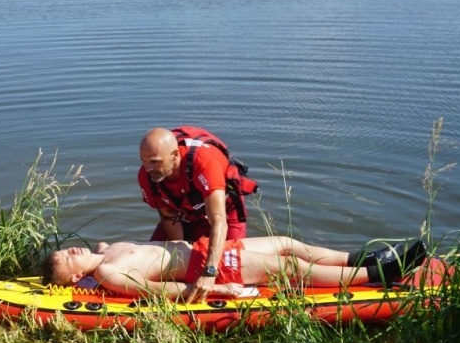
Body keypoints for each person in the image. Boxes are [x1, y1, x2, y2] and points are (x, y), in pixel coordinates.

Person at [42, 237, 427, 304]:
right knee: (291, 267)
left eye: (64, 250)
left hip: (207, 248)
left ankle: (360, 258)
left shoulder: (103, 251)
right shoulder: (110, 274)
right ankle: (380, 276)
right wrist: (212, 290)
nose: (70, 251)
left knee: (286, 243)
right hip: (210, 269)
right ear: (76, 277)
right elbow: (159, 292)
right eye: (66, 259)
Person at [137, 126, 258, 300]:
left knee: (231, 264)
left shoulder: (204, 162)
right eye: (144, 160)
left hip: (224, 215)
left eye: (155, 161)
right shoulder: (147, 176)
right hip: (185, 215)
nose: (148, 168)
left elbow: (218, 220)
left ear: (175, 156)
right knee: (153, 259)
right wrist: (181, 257)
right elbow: (168, 216)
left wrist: (209, 272)